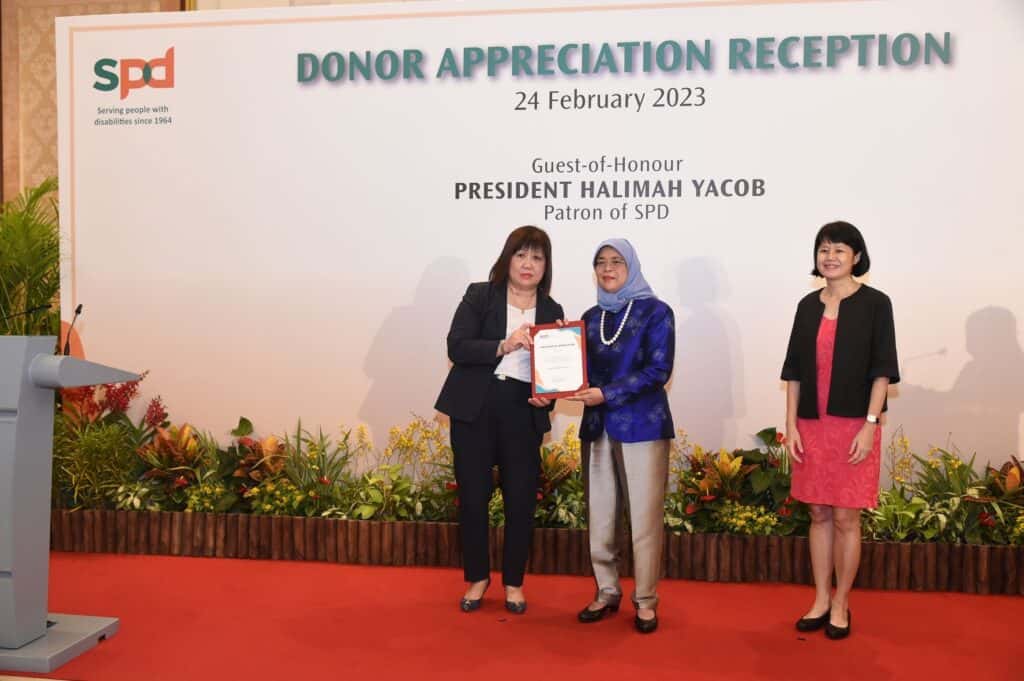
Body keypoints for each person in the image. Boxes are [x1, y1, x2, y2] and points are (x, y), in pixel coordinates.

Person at [434, 225, 564, 614]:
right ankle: (477, 578)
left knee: (521, 500)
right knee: (473, 496)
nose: (528, 264)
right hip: (475, 406)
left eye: (537, 257)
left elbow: (556, 374)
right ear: (507, 258)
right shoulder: (480, 295)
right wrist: (502, 345)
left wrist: (548, 397)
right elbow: (457, 346)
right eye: (521, 255)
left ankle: (513, 582)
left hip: (523, 409)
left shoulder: (553, 311)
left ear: (546, 266)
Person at [781, 221, 899, 640]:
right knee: (817, 513)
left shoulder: (875, 304)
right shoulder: (807, 305)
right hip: (811, 424)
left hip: (854, 424)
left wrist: (870, 425)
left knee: (847, 517)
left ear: (857, 257)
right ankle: (819, 597)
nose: (829, 257)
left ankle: (842, 601)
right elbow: (793, 371)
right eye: (824, 249)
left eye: (839, 250)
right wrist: (791, 425)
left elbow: (883, 370)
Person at [569, 238, 675, 634]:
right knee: (600, 514)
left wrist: (606, 393)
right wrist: (554, 387)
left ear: (631, 266)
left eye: (616, 262)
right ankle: (606, 590)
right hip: (597, 427)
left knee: (644, 520)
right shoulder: (589, 317)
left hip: (643, 427)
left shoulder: (656, 313)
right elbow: (577, 372)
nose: (608, 269)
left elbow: (657, 371)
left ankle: (645, 600)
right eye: (600, 262)